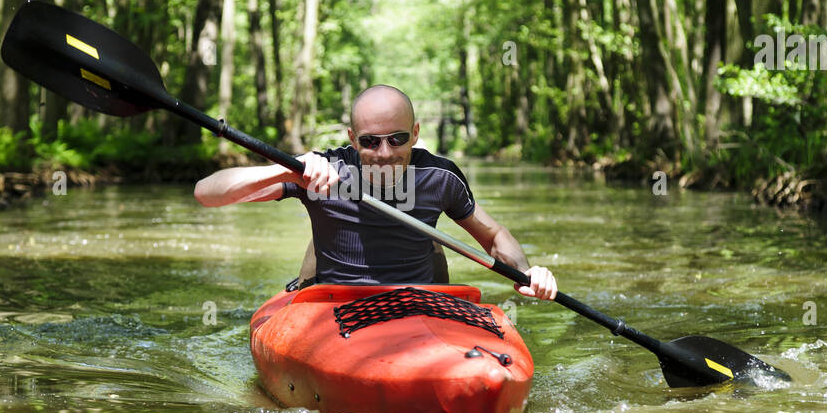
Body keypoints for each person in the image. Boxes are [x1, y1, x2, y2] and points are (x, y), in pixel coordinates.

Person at [193, 84, 558, 300]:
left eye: (397, 139)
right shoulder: (323, 171)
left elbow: (494, 238)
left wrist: (528, 273)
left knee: (432, 245)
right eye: (370, 142)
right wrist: (289, 169)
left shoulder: (439, 177)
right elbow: (207, 194)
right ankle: (306, 278)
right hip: (334, 304)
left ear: (415, 133)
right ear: (353, 139)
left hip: (417, 303)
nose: (385, 153)